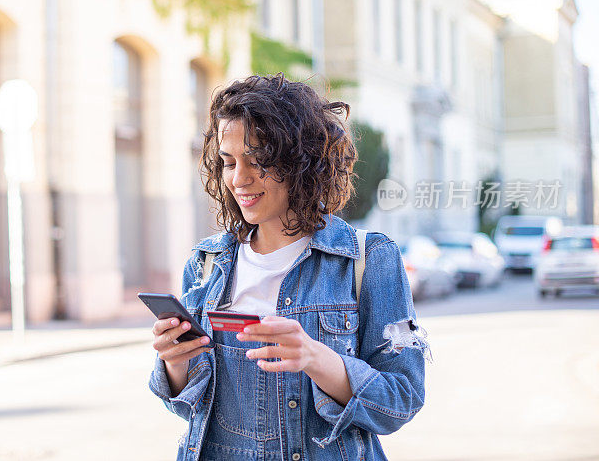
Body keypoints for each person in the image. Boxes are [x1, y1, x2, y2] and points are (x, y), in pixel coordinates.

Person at [149, 74, 428, 461]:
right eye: (228, 162)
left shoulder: (369, 259)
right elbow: (187, 409)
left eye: (258, 160)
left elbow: (402, 399)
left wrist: (316, 358)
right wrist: (175, 365)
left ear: (302, 161)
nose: (239, 178)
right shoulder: (207, 263)